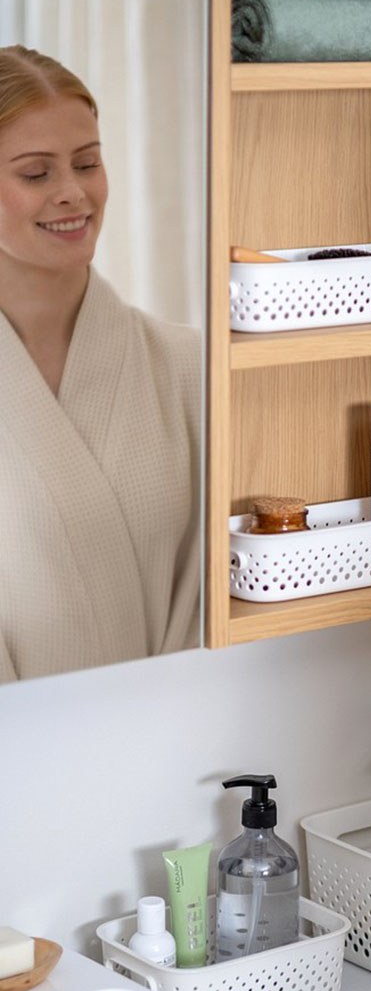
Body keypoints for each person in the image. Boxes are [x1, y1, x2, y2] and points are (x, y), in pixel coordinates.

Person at [0, 45, 200, 682]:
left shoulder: (189, 368)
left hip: (177, 751)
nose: (73, 193)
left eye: (87, 163)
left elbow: (213, 595)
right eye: (36, 174)